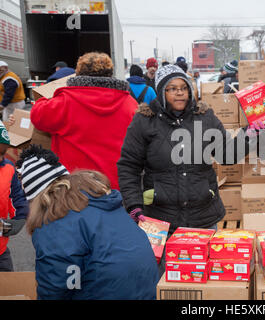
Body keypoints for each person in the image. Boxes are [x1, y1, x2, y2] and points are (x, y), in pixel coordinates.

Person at [117, 64, 265, 276]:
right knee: (166, 281)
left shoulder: (204, 117)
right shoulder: (145, 121)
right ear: (161, 91)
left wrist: (250, 135)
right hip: (162, 222)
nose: (179, 92)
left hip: (203, 218)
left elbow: (226, 155)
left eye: (183, 87)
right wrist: (133, 204)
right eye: (171, 88)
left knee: (204, 281)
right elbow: (128, 166)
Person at [16, 145, 158, 300]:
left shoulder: (54, 221)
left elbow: (56, 284)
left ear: (37, 199)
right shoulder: (100, 201)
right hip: (145, 290)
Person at [30, 52, 138, 190]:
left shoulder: (64, 102)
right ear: (110, 74)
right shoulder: (130, 104)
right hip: (118, 187)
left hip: (76, 189)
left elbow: (37, 116)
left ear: (78, 74)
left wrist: (49, 96)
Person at [0, 121, 29, 271]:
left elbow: (17, 196)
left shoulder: (8, 169)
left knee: (8, 289)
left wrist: (21, 216)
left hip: (1, 251)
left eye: (2, 153)